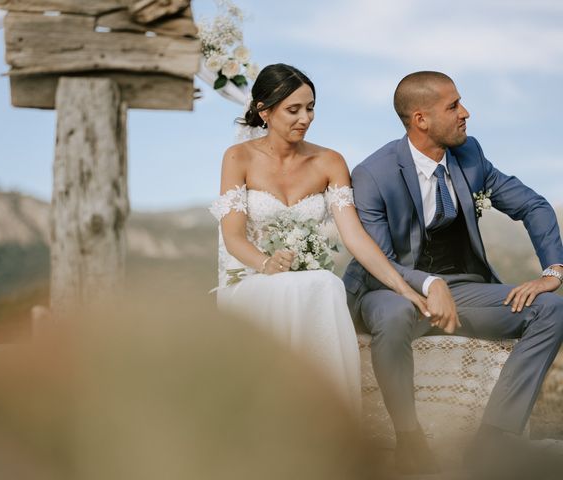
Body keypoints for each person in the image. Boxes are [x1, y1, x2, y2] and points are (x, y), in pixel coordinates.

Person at [344, 70, 563, 475]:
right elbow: (379, 259)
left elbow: (533, 204)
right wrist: (430, 284)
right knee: (392, 316)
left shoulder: (470, 154)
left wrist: (553, 270)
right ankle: (408, 439)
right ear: (420, 119)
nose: (466, 113)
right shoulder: (372, 174)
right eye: (453, 106)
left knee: (551, 309)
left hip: (462, 289)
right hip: (388, 288)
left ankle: (492, 440)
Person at [210, 64, 429, 409]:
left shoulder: (329, 161)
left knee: (327, 283)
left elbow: (355, 237)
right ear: (264, 111)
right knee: (308, 287)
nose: (305, 118)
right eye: (293, 109)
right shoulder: (238, 158)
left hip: (306, 281)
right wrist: (266, 263)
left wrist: (403, 287)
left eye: (310, 107)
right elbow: (234, 236)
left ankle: (328, 420)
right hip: (250, 279)